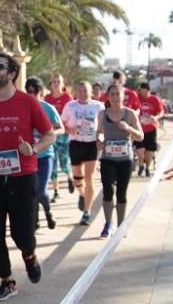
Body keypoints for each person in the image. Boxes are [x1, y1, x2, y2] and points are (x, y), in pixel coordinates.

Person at [0, 53, 55, 302]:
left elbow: (50, 135)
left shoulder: (27, 102)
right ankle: (7, 281)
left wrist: (34, 149)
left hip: (23, 175)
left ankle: (29, 256)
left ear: (12, 73)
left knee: (22, 233)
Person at [96, 84, 144, 238]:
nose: (115, 97)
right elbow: (99, 133)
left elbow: (140, 136)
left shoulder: (130, 114)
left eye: (118, 94)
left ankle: (121, 226)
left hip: (125, 159)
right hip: (108, 158)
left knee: (122, 193)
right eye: (112, 94)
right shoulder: (103, 114)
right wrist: (99, 140)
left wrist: (128, 129)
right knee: (108, 190)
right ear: (108, 97)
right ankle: (108, 223)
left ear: (123, 97)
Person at [61, 82, 106, 226]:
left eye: (85, 91)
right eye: (79, 91)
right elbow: (62, 124)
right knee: (77, 180)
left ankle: (87, 212)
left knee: (89, 177)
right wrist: (70, 130)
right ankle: (82, 194)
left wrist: (100, 137)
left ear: (91, 92)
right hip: (76, 143)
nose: (82, 93)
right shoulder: (70, 106)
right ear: (76, 92)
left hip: (91, 144)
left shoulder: (98, 106)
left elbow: (104, 125)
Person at [24, 77, 63, 230]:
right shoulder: (22, 108)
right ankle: (35, 219)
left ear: (40, 92)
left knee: (41, 191)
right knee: (30, 191)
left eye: (33, 92)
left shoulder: (48, 108)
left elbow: (61, 128)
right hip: (28, 156)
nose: (30, 95)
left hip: (45, 155)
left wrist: (48, 134)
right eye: (28, 92)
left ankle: (48, 211)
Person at [44, 74, 74, 202]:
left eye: (58, 82)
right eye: (54, 82)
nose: (56, 84)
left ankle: (70, 178)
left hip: (64, 135)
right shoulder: (47, 98)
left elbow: (72, 114)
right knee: (53, 163)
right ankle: (56, 191)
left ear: (62, 84)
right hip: (52, 134)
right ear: (50, 84)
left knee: (64, 163)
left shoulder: (67, 97)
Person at [135, 83, 164, 177]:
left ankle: (147, 167)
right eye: (141, 92)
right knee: (140, 149)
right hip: (139, 128)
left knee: (150, 150)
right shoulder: (137, 97)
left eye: (145, 92)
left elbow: (161, 112)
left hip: (151, 128)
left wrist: (155, 117)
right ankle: (140, 165)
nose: (143, 95)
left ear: (149, 91)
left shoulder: (155, 99)